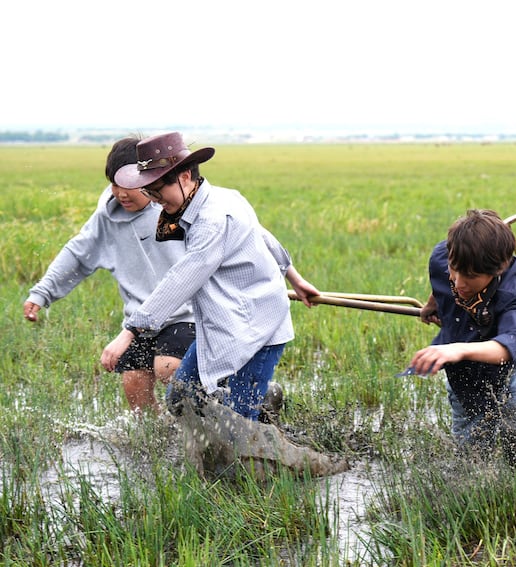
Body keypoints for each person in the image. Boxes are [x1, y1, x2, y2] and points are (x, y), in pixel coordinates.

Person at [101, 131, 319, 422]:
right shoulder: (217, 197)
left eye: (158, 191)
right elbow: (262, 235)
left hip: (257, 328)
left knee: (240, 422)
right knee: (180, 399)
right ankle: (258, 402)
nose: (154, 201)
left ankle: (257, 425)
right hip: (225, 321)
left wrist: (129, 332)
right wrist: (296, 279)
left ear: (186, 176)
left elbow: (182, 279)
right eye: (149, 193)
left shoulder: (212, 220)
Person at [24, 137, 196, 414]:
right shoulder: (107, 216)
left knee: (168, 368)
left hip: (184, 312)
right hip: (139, 318)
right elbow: (78, 253)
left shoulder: (175, 205)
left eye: (129, 185)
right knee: (134, 385)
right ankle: (160, 443)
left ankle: (213, 421)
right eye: (115, 184)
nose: (121, 193)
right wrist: (42, 293)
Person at [407, 209, 516, 465]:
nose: (459, 283)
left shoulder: (514, 289)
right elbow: (443, 278)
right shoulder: (446, 254)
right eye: (455, 270)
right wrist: (433, 303)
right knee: (471, 452)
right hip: (465, 367)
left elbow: (508, 348)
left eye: (470, 277)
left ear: (497, 271)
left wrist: (456, 350)